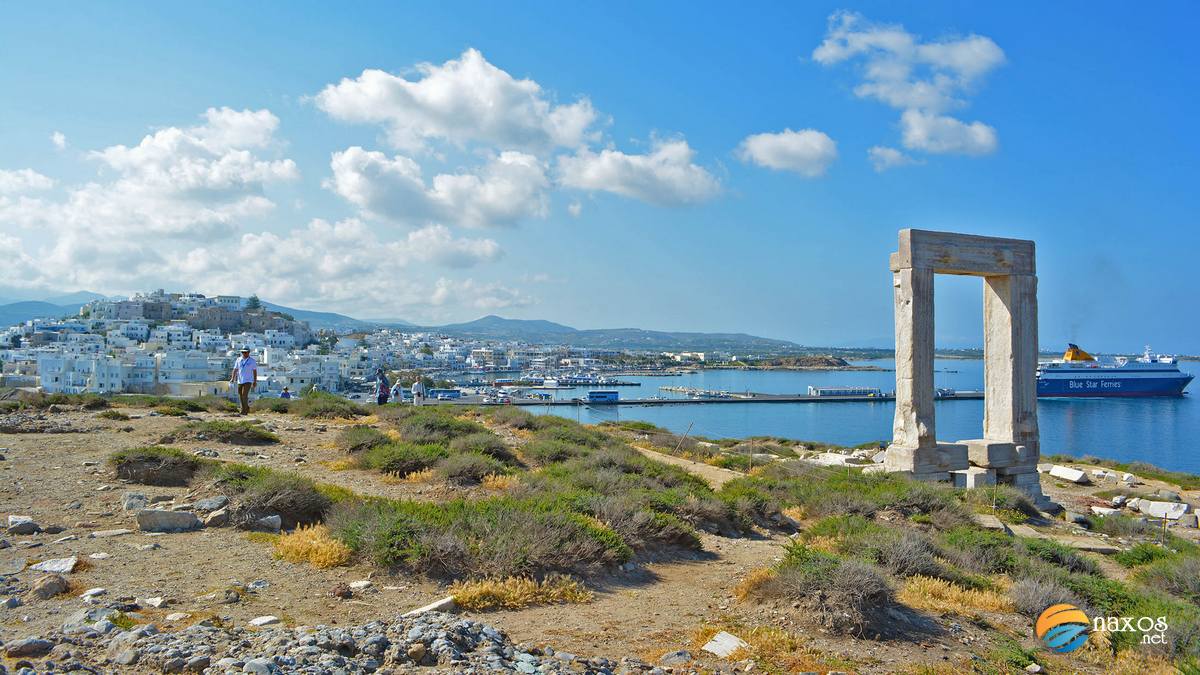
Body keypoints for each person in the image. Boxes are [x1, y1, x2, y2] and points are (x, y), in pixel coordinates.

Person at [230, 347, 257, 415]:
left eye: (245, 352)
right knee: (240, 395)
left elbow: (254, 371)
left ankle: (244, 410)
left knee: (244, 395)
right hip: (240, 380)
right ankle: (246, 408)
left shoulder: (252, 361)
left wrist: (254, 381)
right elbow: (235, 369)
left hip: (248, 380)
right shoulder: (238, 359)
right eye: (242, 352)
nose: (244, 353)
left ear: (248, 352)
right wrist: (233, 378)